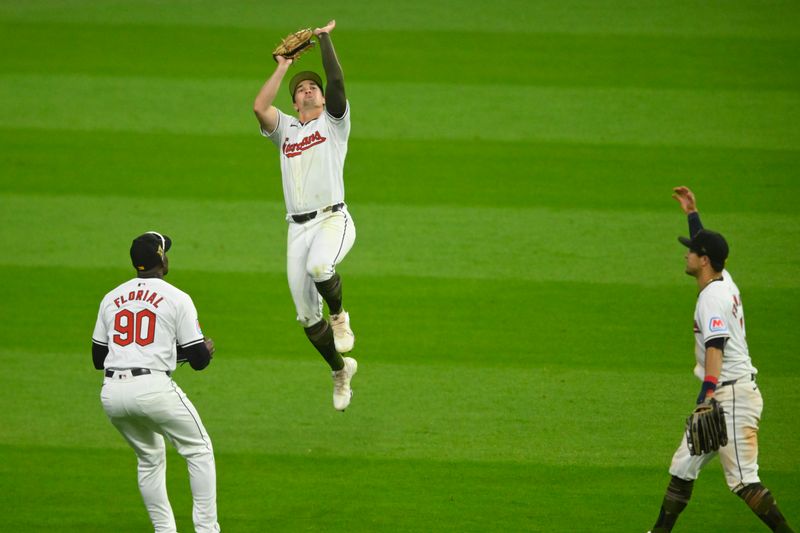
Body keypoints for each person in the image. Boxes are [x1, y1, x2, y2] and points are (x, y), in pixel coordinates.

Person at [648, 187, 794, 533]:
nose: (686, 255)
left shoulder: (711, 299)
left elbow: (716, 346)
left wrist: (708, 393)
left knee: (743, 482)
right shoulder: (724, 278)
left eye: (691, 252)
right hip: (726, 393)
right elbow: (708, 244)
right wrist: (692, 213)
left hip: (733, 397)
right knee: (683, 464)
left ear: (704, 261)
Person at [253, 19, 357, 411]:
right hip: (296, 229)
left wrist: (324, 38)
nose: (308, 88)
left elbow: (337, 82)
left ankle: (341, 315)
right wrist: (282, 66)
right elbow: (260, 107)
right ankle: (340, 369)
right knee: (304, 317)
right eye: (301, 89)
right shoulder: (287, 131)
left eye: (312, 86)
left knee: (319, 268)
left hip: (333, 219)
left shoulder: (335, 123)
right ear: (295, 103)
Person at [91, 231, 220, 533]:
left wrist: (159, 354)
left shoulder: (111, 297)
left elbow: (99, 358)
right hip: (152, 389)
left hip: (112, 394)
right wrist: (200, 352)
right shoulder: (178, 298)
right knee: (198, 449)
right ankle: (207, 530)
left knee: (149, 458)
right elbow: (199, 360)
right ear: (161, 259)